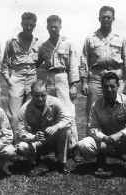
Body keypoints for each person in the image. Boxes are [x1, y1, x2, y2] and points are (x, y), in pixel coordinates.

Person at [78, 72, 126, 178]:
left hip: (123, 142)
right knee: (84, 145)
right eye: (106, 86)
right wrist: (104, 137)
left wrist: (119, 134)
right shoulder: (95, 105)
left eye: (112, 86)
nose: (109, 90)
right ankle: (101, 156)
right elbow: (92, 128)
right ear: (102, 87)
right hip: (105, 142)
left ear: (118, 86)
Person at [80, 6, 126, 135]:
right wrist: (84, 82)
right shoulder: (90, 38)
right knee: (93, 109)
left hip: (115, 76)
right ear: (99, 18)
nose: (106, 19)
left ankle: (119, 144)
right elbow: (84, 60)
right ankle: (93, 144)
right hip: (95, 77)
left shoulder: (120, 37)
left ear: (113, 19)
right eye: (103, 17)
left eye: (108, 17)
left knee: (118, 109)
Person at [37, 15, 81, 161]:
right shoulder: (44, 46)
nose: (53, 29)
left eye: (56, 26)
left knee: (69, 114)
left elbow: (74, 65)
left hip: (63, 79)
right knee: (52, 113)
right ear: (47, 27)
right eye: (51, 26)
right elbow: (36, 63)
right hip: (49, 79)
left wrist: (73, 85)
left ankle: (74, 147)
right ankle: (57, 145)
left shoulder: (67, 43)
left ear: (60, 27)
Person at [16, 80, 74, 174]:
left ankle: (61, 162)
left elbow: (69, 119)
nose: (40, 98)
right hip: (36, 141)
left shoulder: (55, 102)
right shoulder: (24, 109)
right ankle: (33, 160)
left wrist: (56, 126)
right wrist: (33, 137)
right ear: (31, 94)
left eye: (43, 95)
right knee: (22, 146)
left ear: (47, 93)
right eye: (36, 95)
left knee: (66, 131)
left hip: (52, 139)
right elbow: (20, 132)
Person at [1, 12, 41, 143]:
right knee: (14, 114)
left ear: (34, 25)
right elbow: (5, 64)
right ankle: (13, 142)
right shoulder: (12, 41)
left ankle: (30, 141)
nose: (28, 27)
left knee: (31, 111)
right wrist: (9, 80)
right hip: (16, 77)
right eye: (26, 24)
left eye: (31, 25)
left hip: (32, 78)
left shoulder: (38, 43)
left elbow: (39, 61)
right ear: (21, 24)